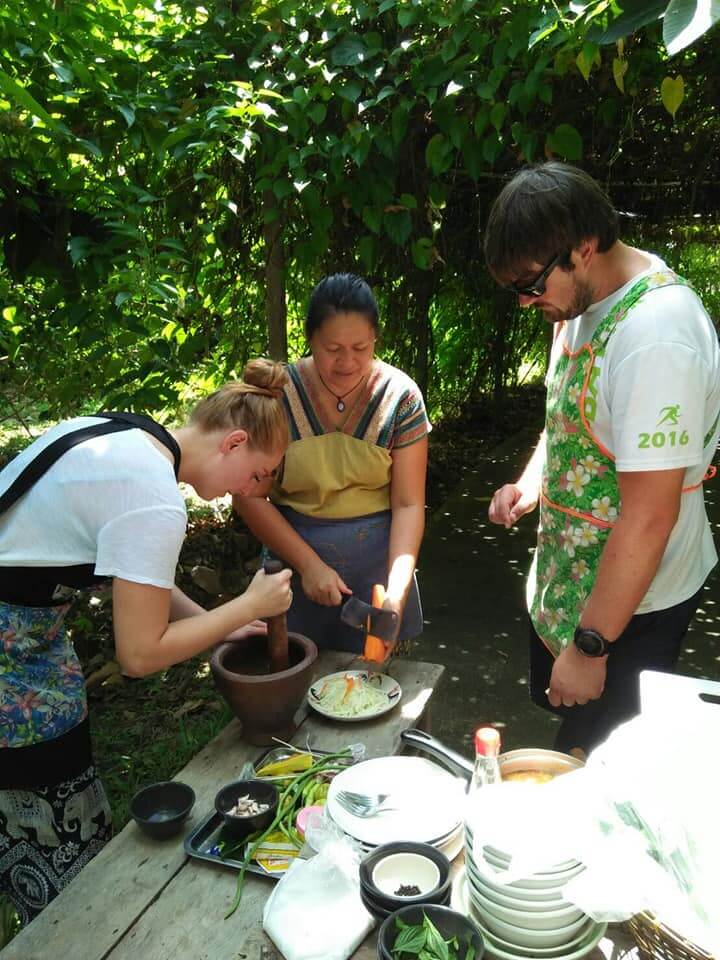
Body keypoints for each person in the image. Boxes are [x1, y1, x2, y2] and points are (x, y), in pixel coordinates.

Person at [0, 359, 293, 925]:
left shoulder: (131, 439)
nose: (250, 491)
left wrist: (220, 621)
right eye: (259, 474)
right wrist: (248, 606)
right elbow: (138, 655)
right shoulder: (155, 498)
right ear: (234, 442)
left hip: (30, 633)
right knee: (60, 839)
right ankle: (68, 929)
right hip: (14, 660)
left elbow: (132, 578)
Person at [485, 162, 720, 755]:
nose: (525, 301)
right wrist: (532, 481)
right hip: (573, 574)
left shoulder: (657, 338)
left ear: (583, 248)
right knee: (568, 718)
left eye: (531, 285)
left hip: (633, 606)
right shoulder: (577, 301)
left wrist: (591, 647)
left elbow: (648, 516)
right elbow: (569, 412)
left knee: (603, 756)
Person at [234, 273, 430, 654]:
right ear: (309, 339)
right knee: (293, 686)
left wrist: (395, 593)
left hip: (378, 570)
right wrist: (308, 565)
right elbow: (248, 497)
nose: (347, 362)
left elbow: (408, 505)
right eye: (332, 348)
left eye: (361, 347)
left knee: (377, 692)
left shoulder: (400, 398)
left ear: (376, 338)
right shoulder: (278, 398)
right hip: (290, 569)